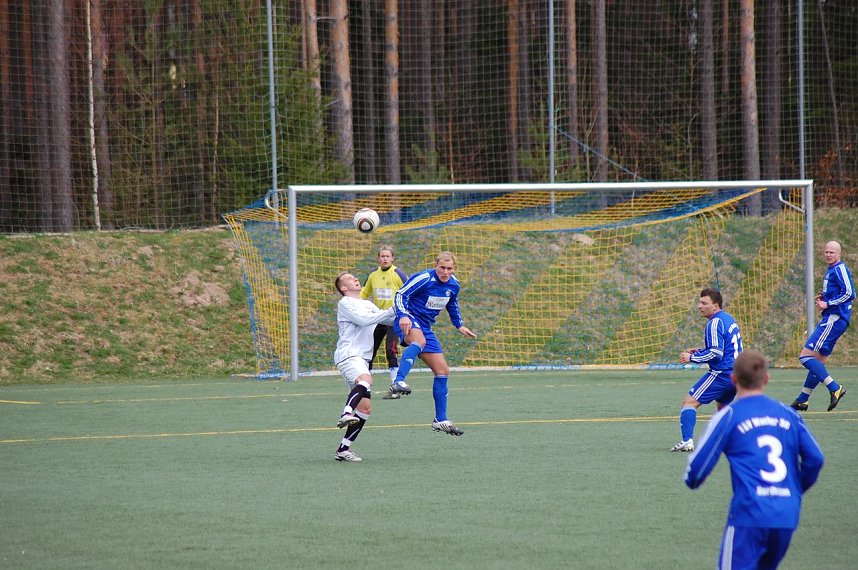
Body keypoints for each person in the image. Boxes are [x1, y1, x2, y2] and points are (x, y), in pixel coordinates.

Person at [684, 350, 825, 570]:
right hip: (786, 514)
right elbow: (815, 458)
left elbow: (696, 473)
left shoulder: (729, 415)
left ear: (733, 379)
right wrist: (794, 488)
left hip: (749, 514)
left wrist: (692, 480)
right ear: (766, 379)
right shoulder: (788, 414)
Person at [388, 251, 477, 436]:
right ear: (435, 265)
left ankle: (440, 420)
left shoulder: (454, 285)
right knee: (418, 340)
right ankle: (398, 381)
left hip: (425, 326)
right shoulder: (424, 278)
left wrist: (459, 325)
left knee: (443, 371)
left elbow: (452, 304)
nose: (445, 272)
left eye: (449, 268)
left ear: (454, 269)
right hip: (407, 318)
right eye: (442, 267)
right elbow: (400, 295)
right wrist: (403, 315)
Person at [332, 272, 395, 462]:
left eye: (354, 277)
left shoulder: (367, 304)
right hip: (349, 354)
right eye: (350, 279)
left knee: (365, 409)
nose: (355, 279)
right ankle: (345, 413)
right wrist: (392, 310)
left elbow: (386, 320)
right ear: (343, 288)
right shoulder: (346, 303)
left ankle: (343, 449)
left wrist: (406, 314)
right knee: (366, 380)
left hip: (362, 359)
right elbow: (364, 320)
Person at [671, 288, 743, 452]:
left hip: (722, 374)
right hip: (736, 374)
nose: (700, 306)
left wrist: (692, 359)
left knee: (688, 403)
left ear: (716, 306)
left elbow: (716, 354)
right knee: (723, 410)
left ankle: (687, 441)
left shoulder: (714, 322)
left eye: (704, 303)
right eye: (700, 302)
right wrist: (701, 351)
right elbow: (724, 348)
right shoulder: (728, 319)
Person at [789, 240, 853, 412]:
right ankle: (803, 399)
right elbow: (839, 291)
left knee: (805, 357)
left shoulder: (839, 268)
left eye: (831, 252)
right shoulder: (832, 270)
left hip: (834, 318)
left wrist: (828, 303)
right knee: (818, 362)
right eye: (826, 252)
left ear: (839, 254)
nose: (828, 254)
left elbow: (849, 293)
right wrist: (824, 297)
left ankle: (835, 388)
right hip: (835, 318)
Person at [360, 244, 409, 399]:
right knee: (368, 352)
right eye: (382, 256)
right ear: (378, 258)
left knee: (391, 351)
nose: (385, 258)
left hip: (395, 320)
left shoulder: (398, 274)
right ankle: (364, 388)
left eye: (388, 256)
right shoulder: (373, 275)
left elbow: (409, 293)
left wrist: (404, 314)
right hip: (378, 319)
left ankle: (395, 389)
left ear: (392, 258)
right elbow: (363, 294)